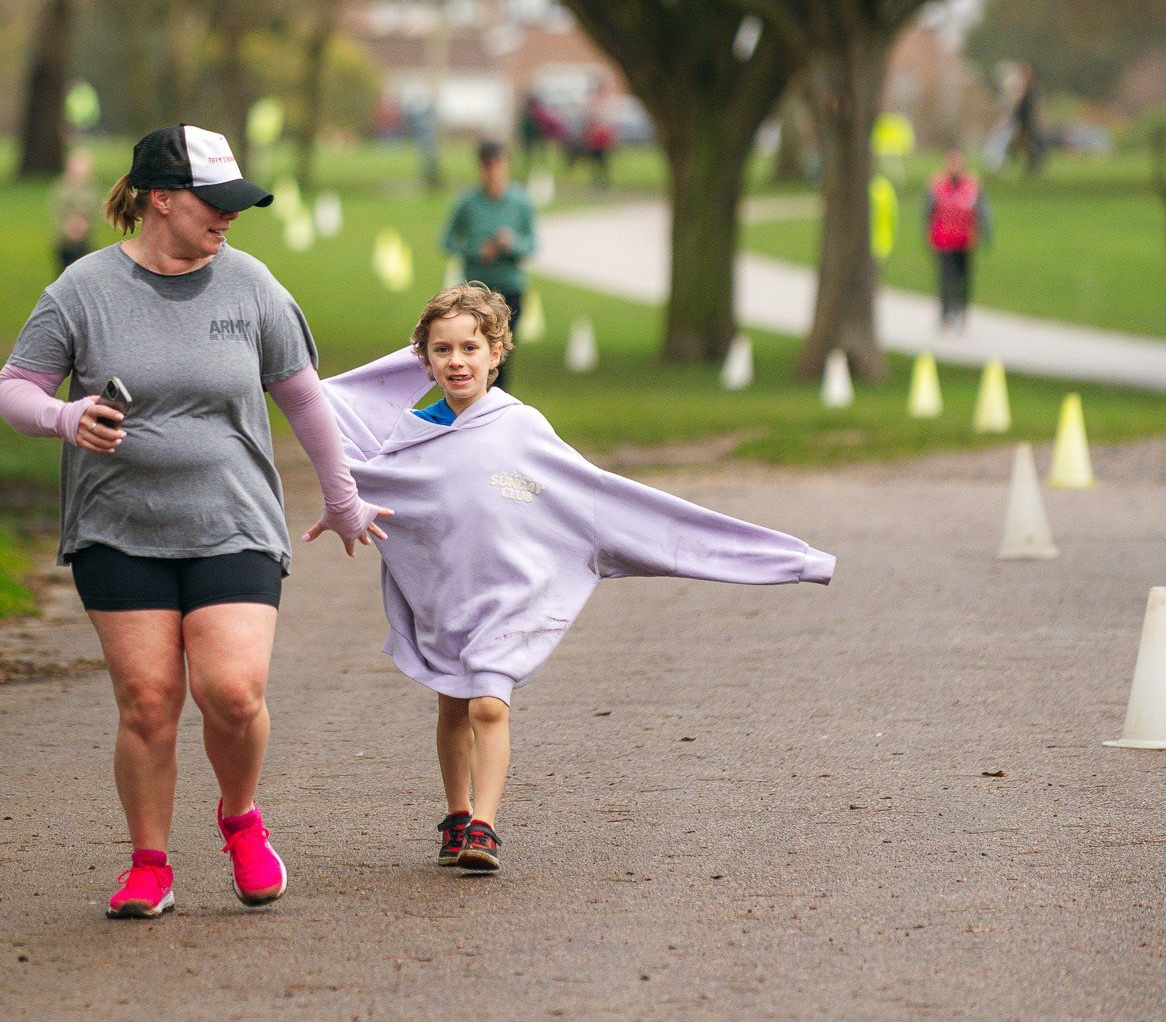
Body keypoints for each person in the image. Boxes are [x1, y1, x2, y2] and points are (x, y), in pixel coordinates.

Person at [0, 123, 389, 920]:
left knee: (233, 691)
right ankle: (149, 863)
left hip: (234, 521)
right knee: (148, 699)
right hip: (119, 526)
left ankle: (240, 818)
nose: (228, 218)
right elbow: (15, 388)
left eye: (234, 205)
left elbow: (305, 397)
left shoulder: (250, 286)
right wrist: (66, 417)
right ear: (160, 199)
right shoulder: (82, 290)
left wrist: (341, 496)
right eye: (214, 204)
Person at [316, 284, 835, 874]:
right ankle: (456, 813)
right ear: (424, 359)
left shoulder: (521, 428)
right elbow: (342, 437)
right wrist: (344, 502)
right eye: (441, 350)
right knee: (453, 707)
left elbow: (593, 498)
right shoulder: (407, 436)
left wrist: (792, 562)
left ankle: (484, 826)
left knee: (488, 704)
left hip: (509, 599)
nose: (456, 361)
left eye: (470, 347)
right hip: (446, 596)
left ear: (497, 352)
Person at [440, 141, 536, 389]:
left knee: (501, 353)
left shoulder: (520, 202)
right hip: (476, 289)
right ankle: (475, 398)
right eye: (487, 165)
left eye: (497, 165)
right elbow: (447, 241)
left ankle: (498, 402)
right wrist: (475, 250)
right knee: (474, 348)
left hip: (509, 288)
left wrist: (511, 244)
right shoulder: (468, 202)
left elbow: (532, 245)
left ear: (506, 165)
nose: (492, 171)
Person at [925, 150, 991, 330]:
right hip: (944, 238)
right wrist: (927, 231)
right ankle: (945, 312)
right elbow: (929, 210)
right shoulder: (937, 184)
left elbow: (982, 210)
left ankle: (962, 310)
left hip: (965, 239)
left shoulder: (972, 184)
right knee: (946, 277)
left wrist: (985, 232)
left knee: (963, 277)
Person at [49, 146, 99, 274]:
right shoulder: (62, 188)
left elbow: (93, 211)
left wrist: (84, 225)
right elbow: (58, 212)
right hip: (65, 242)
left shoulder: (91, 189)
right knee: (65, 272)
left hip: (85, 241)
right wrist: (68, 228)